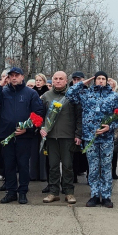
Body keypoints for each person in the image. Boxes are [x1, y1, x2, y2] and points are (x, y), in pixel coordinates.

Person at [67, 71, 118, 208]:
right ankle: (95, 195)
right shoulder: (86, 94)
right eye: (98, 79)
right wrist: (82, 83)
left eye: (103, 79)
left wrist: (110, 127)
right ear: (94, 80)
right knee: (93, 168)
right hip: (90, 137)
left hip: (106, 138)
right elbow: (69, 95)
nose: (101, 81)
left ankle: (107, 196)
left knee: (106, 168)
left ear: (107, 81)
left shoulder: (113, 96)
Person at [0, 67, 44, 204]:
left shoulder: (30, 93)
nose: (14, 78)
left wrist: (27, 129)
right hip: (6, 135)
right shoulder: (3, 92)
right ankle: (11, 192)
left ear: (22, 77)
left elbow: (38, 114)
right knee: (8, 165)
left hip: (24, 136)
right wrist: (0, 85)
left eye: (16, 75)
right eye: (11, 76)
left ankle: (22, 192)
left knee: (22, 165)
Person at [40, 71, 82, 204]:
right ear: (52, 81)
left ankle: (69, 192)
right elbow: (40, 115)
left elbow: (79, 117)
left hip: (67, 136)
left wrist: (78, 134)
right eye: (55, 79)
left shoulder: (72, 96)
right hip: (51, 137)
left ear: (66, 81)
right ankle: (53, 192)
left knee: (68, 166)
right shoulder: (46, 96)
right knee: (52, 166)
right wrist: (42, 127)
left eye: (61, 79)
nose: (58, 81)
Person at [70, 71, 89, 183]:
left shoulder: (88, 92)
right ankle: (74, 176)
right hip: (73, 126)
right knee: (74, 154)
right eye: (74, 80)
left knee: (86, 153)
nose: (76, 82)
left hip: (87, 126)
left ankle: (88, 176)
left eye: (79, 80)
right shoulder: (71, 92)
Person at [31, 73, 49, 184]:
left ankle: (43, 174)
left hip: (44, 123)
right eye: (36, 80)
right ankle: (33, 173)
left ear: (44, 81)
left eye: (40, 80)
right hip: (33, 123)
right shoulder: (32, 93)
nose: (38, 82)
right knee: (33, 150)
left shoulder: (48, 93)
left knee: (43, 150)